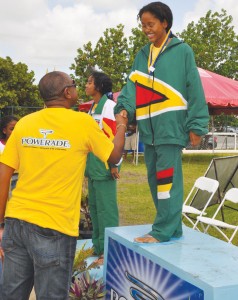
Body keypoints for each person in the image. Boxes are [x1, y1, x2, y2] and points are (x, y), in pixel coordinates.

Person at [0, 71, 127, 300]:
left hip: (16, 223)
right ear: (67, 92)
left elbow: (4, 173)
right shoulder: (82, 122)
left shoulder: (24, 124)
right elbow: (114, 155)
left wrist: (0, 224)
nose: (77, 88)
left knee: (11, 294)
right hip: (55, 228)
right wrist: (120, 126)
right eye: (75, 85)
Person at [114, 2, 209, 243]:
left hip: (170, 128)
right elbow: (132, 85)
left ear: (165, 22)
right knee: (155, 180)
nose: (146, 29)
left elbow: (194, 89)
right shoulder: (142, 55)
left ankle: (162, 231)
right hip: (149, 130)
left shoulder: (182, 51)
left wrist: (196, 125)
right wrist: (124, 106)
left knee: (167, 180)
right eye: (143, 25)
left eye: (151, 24)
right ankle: (172, 227)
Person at [85, 71, 120, 264]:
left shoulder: (109, 107)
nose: (86, 85)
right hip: (93, 168)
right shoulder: (93, 107)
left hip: (105, 167)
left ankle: (108, 250)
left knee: (107, 211)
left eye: (89, 82)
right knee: (95, 209)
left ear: (98, 86)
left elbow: (114, 139)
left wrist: (114, 164)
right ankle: (98, 246)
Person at [0, 115, 19, 192]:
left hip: (16, 184)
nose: (15, 132)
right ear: (4, 130)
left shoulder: (22, 146)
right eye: (12, 129)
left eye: (17, 129)